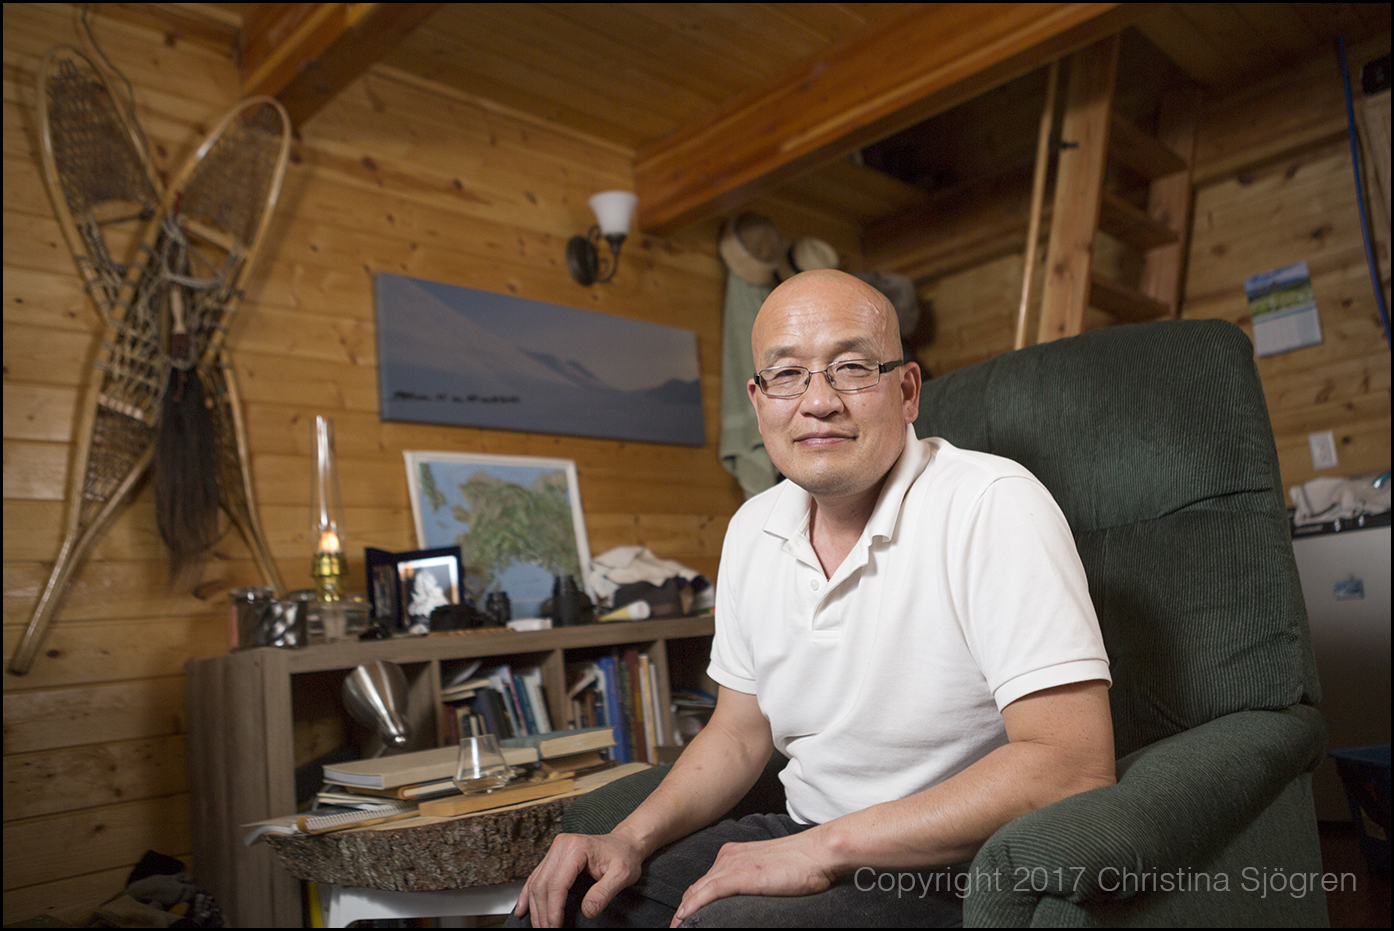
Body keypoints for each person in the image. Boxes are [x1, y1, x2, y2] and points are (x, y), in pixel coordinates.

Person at [512, 269, 1114, 928]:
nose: (819, 401)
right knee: (567, 906)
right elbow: (741, 733)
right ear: (759, 398)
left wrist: (823, 850)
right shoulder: (751, 528)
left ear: (907, 390)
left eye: (853, 367)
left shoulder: (992, 503)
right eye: (788, 374)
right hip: (803, 827)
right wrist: (626, 837)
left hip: (955, 860)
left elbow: (1072, 764)